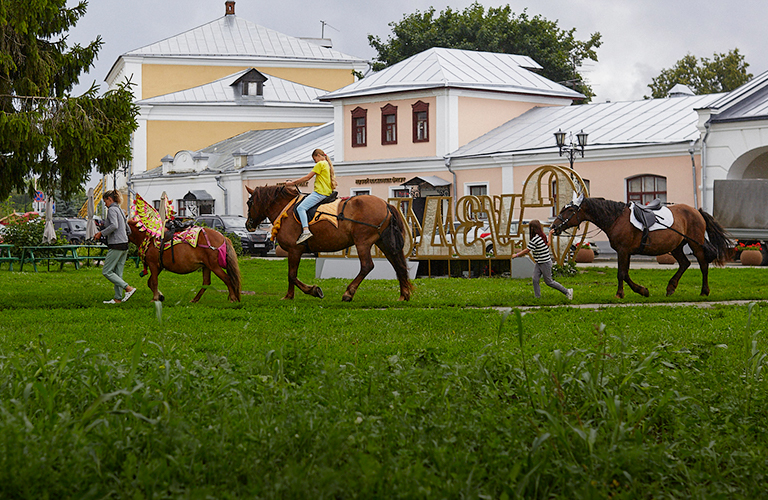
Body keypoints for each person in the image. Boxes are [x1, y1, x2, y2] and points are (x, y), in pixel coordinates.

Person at [285, 149, 337, 244]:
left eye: (314, 159)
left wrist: (292, 183)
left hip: (320, 193)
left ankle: (306, 231)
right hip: (326, 192)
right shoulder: (327, 164)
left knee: (301, 208)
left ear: (318, 155)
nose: (315, 161)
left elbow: (307, 177)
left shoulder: (320, 164)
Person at [512, 219, 573, 300]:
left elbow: (527, 250)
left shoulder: (536, 239)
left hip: (545, 263)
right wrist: (550, 234)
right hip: (539, 262)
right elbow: (548, 244)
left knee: (549, 282)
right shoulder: (542, 236)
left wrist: (516, 255)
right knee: (535, 279)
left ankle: (567, 291)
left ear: (532, 228)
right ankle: (537, 297)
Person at [94, 190, 136, 304]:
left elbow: (114, 225)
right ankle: (117, 298)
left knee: (107, 271)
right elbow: (128, 229)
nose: (105, 204)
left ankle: (128, 288)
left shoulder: (112, 210)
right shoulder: (120, 210)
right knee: (118, 273)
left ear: (110, 199)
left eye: (105, 201)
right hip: (124, 244)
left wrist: (101, 233)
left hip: (116, 244)